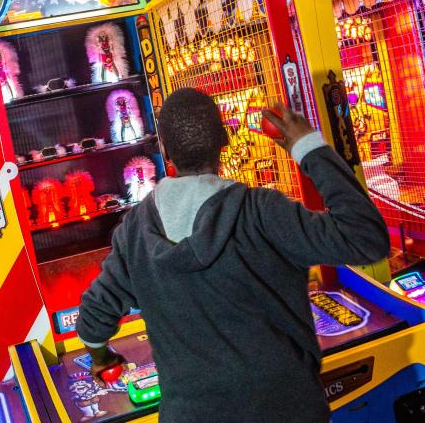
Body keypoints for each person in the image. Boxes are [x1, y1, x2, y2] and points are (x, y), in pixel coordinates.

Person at [75, 87, 389, 422]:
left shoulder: (134, 231)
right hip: (286, 410)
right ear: (225, 140)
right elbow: (366, 238)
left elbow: (93, 321)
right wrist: (307, 146)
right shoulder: (262, 212)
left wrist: (101, 358)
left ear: (164, 149)